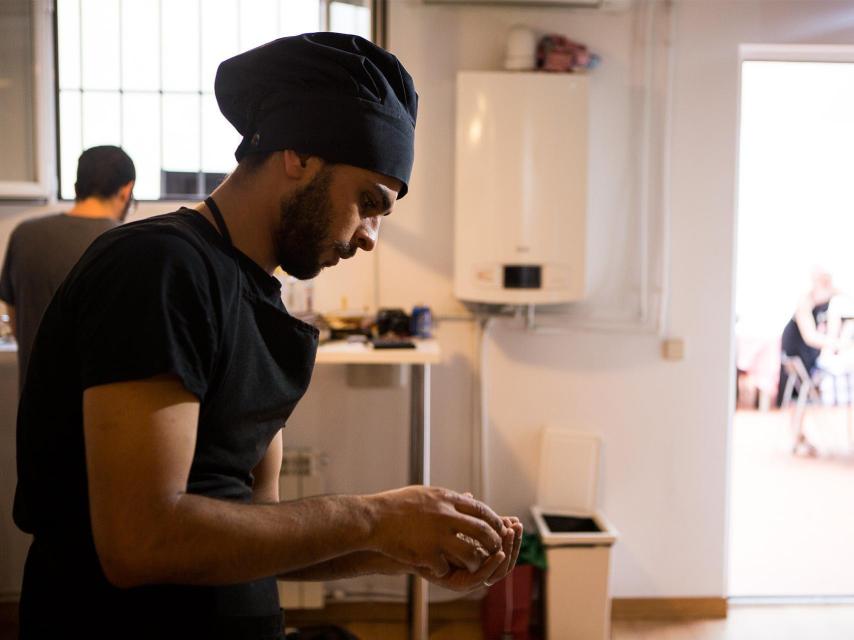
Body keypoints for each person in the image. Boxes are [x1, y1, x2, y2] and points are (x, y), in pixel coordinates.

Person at [14, 34, 521, 639]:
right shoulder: (159, 267)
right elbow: (141, 540)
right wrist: (375, 518)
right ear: (299, 156)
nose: (369, 238)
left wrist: (407, 549)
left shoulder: (254, 296)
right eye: (367, 201)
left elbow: (257, 531)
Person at [0, 145, 135, 388]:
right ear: (126, 190)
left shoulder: (24, 234)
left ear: (78, 185)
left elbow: (15, 318)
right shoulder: (128, 244)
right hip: (97, 413)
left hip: (33, 409)